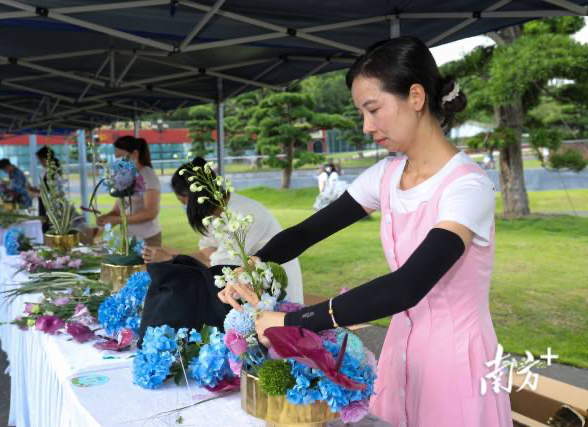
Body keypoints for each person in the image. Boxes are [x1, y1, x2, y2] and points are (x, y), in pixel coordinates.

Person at [218, 37, 511, 427]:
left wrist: (294, 323)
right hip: (402, 350)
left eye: (373, 109)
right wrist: (254, 263)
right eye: (361, 113)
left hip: (457, 359)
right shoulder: (388, 175)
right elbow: (307, 232)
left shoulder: (467, 186)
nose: (366, 126)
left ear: (416, 96)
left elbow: (407, 286)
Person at [143, 157, 304, 304]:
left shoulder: (242, 214)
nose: (185, 207)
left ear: (192, 197)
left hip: (275, 290)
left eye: (183, 202)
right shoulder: (214, 213)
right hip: (251, 285)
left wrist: (172, 258)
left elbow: (220, 267)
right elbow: (206, 253)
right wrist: (173, 257)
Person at [97, 136, 161, 246]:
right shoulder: (127, 176)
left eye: (120, 156)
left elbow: (150, 213)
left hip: (147, 238)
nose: (118, 161)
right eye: (116, 157)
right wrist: (106, 218)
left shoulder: (147, 175)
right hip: (129, 238)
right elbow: (118, 210)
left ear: (134, 154)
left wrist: (117, 220)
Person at [31, 146, 63, 233]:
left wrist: (34, 193)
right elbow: (44, 188)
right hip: (45, 206)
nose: (40, 162)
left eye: (40, 160)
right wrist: (35, 190)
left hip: (50, 207)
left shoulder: (52, 171)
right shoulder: (46, 170)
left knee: (48, 230)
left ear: (45, 159)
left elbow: (50, 192)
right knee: (45, 229)